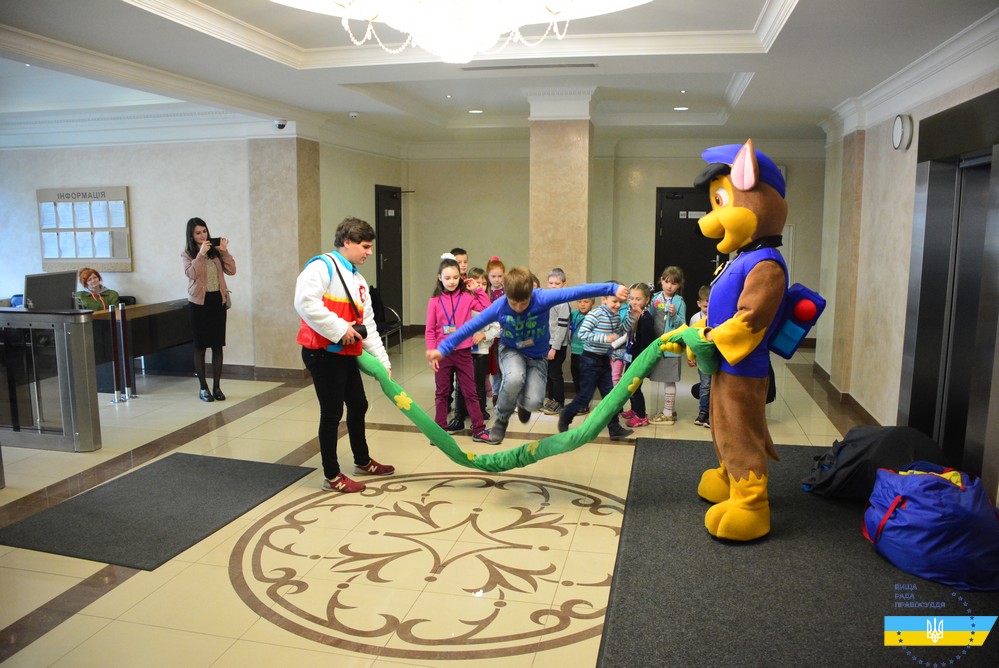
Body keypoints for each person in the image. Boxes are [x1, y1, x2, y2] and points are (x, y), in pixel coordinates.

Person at [427, 267, 629, 445]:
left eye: (523, 303)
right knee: (514, 378)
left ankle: (524, 403)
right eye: (513, 303)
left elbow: (578, 291)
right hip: (511, 349)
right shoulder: (500, 305)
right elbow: (469, 327)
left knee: (534, 403)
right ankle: (501, 421)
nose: (518, 308)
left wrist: (611, 288)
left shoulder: (542, 298)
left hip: (537, 356)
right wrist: (442, 349)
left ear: (531, 294)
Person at [294, 217, 395, 493]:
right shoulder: (321, 267)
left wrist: (383, 363)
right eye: (365, 246)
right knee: (332, 413)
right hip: (322, 354)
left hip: (345, 354)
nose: (370, 252)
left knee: (359, 404)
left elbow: (368, 326)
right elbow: (305, 302)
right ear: (347, 242)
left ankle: (362, 461)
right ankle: (331, 475)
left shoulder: (358, 279)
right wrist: (341, 329)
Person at [425, 254, 492, 442]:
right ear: (440, 278)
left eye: (455, 277)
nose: (452, 281)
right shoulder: (434, 301)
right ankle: (439, 432)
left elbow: (487, 308)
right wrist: (432, 353)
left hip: (463, 353)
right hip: (442, 354)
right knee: (442, 393)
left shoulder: (467, 297)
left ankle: (479, 429)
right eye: (447, 278)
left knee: (470, 392)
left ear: (461, 278)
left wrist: (477, 289)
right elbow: (430, 330)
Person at [557, 286, 636, 441]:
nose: (618, 305)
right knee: (585, 396)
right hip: (590, 360)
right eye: (614, 301)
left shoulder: (615, 315)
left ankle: (614, 428)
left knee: (610, 396)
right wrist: (604, 338)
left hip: (604, 359)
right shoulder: (595, 314)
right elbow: (583, 334)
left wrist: (632, 316)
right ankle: (566, 415)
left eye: (620, 302)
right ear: (603, 299)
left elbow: (621, 331)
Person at [182, 217, 235, 402]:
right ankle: (203, 388)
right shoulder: (188, 254)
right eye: (198, 233)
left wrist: (224, 251)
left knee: (217, 345)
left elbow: (232, 270)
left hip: (217, 301)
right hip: (199, 304)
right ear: (191, 235)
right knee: (200, 346)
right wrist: (200, 255)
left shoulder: (215, 252)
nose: (202, 235)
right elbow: (191, 274)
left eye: (204, 231)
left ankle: (217, 387)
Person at [451, 267, 500, 428]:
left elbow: (496, 328)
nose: (480, 286)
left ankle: (478, 416)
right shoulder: (461, 301)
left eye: (483, 284)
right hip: (462, 351)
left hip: (481, 351)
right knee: (460, 385)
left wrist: (483, 335)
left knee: (479, 385)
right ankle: (458, 417)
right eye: (476, 283)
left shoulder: (488, 305)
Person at [649, 266, 686, 424]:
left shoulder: (679, 302)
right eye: (666, 281)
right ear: (661, 281)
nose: (669, 286)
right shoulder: (655, 298)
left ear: (679, 285)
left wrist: (674, 315)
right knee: (664, 378)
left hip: (671, 348)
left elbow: (682, 325)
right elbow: (650, 319)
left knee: (669, 379)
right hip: (658, 345)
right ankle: (670, 409)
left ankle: (668, 413)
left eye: (674, 283)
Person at [619, 282, 656, 428]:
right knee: (630, 385)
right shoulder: (634, 315)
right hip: (631, 355)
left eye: (638, 299)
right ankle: (634, 409)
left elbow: (646, 345)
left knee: (634, 387)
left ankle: (641, 416)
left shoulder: (646, 319)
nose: (634, 302)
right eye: (632, 298)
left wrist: (641, 364)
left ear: (647, 300)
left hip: (639, 360)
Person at [542, 268, 570, 416]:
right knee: (548, 374)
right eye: (551, 283)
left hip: (557, 345)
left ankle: (559, 402)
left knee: (555, 374)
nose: (553, 286)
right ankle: (551, 400)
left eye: (557, 283)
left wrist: (554, 348)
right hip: (547, 343)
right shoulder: (547, 300)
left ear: (563, 285)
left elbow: (562, 328)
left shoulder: (563, 303)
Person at [689, 285, 712, 428]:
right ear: (699, 304)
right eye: (705, 306)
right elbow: (691, 339)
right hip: (702, 358)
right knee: (705, 385)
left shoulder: (718, 315)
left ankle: (714, 414)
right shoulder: (695, 319)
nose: (708, 309)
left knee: (716, 386)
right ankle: (703, 411)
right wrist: (691, 356)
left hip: (716, 358)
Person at [568, 297, 595, 415]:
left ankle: (584, 405)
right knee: (576, 377)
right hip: (575, 351)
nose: (582, 304)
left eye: (586, 302)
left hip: (587, 353)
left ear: (592, 303)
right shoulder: (574, 314)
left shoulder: (594, 316)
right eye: (579, 301)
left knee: (585, 380)